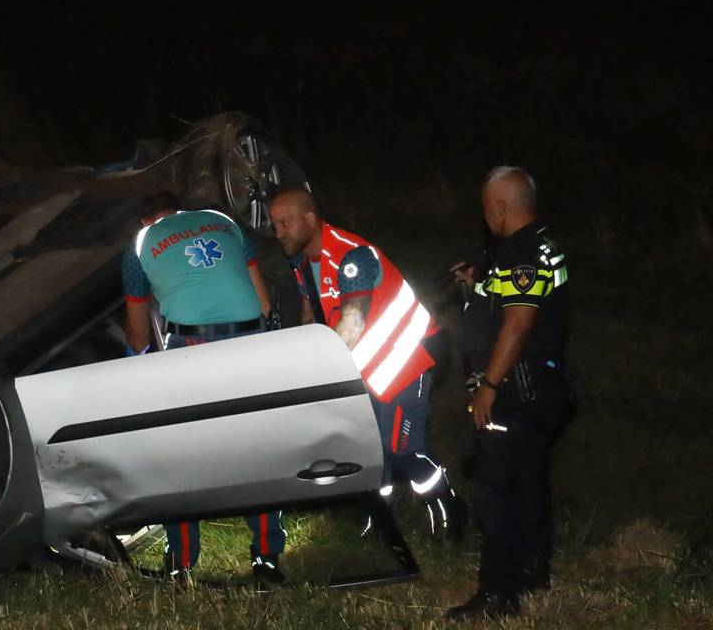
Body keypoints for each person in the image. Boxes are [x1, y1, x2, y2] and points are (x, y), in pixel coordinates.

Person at [267, 187, 466, 540]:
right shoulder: (304, 263)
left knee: (402, 449)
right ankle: (382, 521)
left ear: (310, 219)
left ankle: (448, 505)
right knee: (372, 452)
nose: (278, 232)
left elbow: (351, 324)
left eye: (284, 223)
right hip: (365, 370)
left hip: (404, 361)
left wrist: (315, 378)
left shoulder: (351, 255)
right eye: (274, 225)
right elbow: (311, 311)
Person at [120, 191, 285, 587]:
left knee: (178, 455)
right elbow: (263, 303)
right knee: (256, 450)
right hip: (250, 342)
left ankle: (181, 561)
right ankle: (266, 558)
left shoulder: (139, 246)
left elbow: (140, 332)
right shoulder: (223, 220)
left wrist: (137, 359)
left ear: (146, 221)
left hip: (193, 347)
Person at [445, 167, 572, 620]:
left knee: (495, 488)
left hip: (516, 388)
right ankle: (532, 570)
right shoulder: (540, 245)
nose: (485, 217)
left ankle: (497, 594)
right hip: (541, 386)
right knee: (528, 481)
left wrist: (489, 387)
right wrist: (478, 280)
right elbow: (510, 298)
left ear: (501, 206)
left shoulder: (522, 255)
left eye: (486, 208)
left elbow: (518, 325)